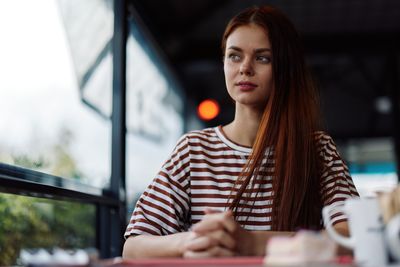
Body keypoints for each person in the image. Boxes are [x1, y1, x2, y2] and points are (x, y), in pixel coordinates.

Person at [122, 5, 359, 258]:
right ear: (224, 63)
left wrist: (252, 244)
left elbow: (354, 235)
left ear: (285, 68)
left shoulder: (316, 149)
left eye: (262, 57)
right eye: (235, 56)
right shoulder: (194, 149)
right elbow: (133, 247)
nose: (245, 67)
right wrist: (194, 241)